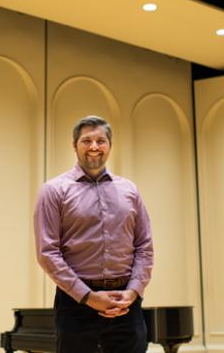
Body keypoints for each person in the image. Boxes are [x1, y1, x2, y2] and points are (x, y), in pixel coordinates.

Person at [34, 115, 154, 353]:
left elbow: (144, 246)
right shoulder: (54, 190)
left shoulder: (129, 189)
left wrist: (133, 290)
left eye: (101, 140)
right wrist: (88, 296)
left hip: (127, 304)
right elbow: (48, 252)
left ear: (109, 145)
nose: (94, 147)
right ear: (75, 145)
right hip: (76, 305)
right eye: (86, 141)